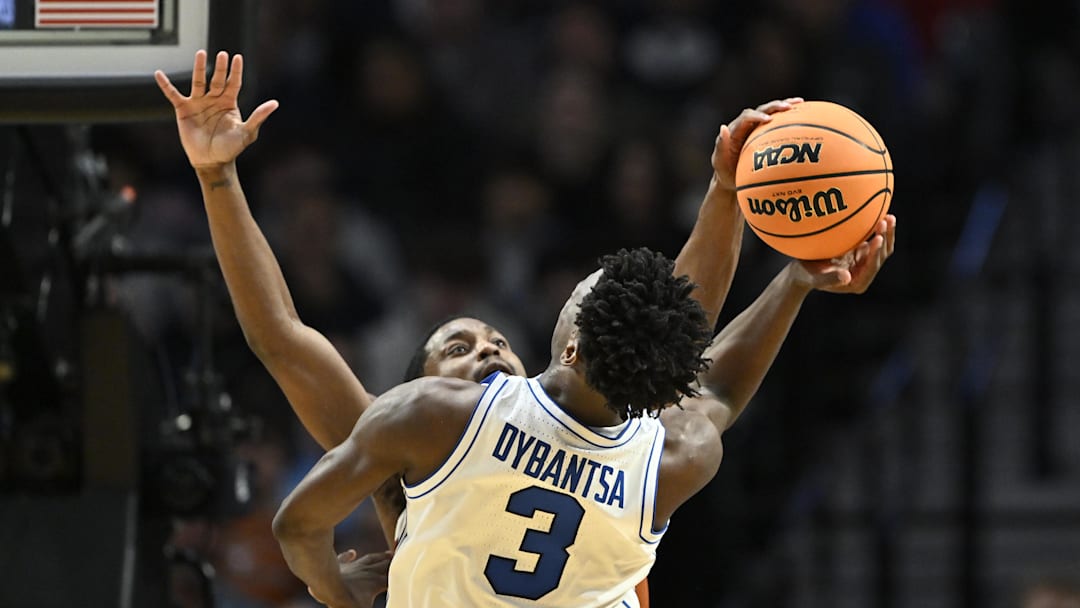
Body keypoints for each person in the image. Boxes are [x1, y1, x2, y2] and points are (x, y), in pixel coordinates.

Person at [155, 50, 895, 605]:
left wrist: (337, 593)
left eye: (495, 341)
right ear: (411, 388)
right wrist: (785, 268)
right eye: (458, 345)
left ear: (567, 351)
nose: (486, 350)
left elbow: (666, 337)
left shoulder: (428, 425)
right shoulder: (657, 452)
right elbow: (687, 352)